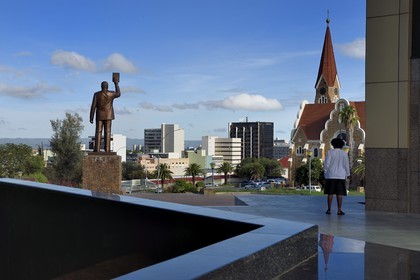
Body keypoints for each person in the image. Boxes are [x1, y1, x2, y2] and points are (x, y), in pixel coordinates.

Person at [89, 80, 121, 152]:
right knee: (108, 131)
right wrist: (116, 84)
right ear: (107, 86)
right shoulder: (111, 94)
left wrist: (91, 117)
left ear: (101, 86)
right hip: (108, 115)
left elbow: (93, 106)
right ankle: (107, 149)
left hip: (99, 115)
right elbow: (118, 94)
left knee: (98, 131)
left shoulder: (97, 94)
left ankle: (97, 149)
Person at [323, 137, 350, 215]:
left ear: (333, 144)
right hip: (341, 176)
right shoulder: (344, 153)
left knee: (330, 193)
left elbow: (326, 164)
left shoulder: (330, 152)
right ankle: (339, 210)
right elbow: (346, 165)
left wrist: (325, 173)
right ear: (341, 145)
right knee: (339, 194)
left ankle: (329, 209)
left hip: (330, 175)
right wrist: (348, 175)